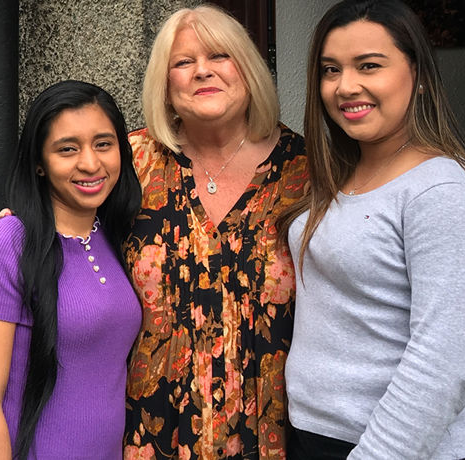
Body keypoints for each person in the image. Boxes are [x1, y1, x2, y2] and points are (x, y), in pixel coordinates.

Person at [279, 1, 465, 459]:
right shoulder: (335, 176)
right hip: (318, 436)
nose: (345, 86)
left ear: (419, 76)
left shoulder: (442, 191)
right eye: (330, 69)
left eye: (369, 66)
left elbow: (440, 370)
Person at [121, 5, 308, 459]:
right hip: (154, 433)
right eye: (183, 63)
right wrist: (12, 232)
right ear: (165, 85)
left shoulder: (305, 169)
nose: (202, 71)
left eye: (220, 56)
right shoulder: (129, 164)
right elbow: (66, 233)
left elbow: (366, 246)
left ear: (248, 68)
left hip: (271, 436)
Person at [0, 80, 142, 459]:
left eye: (104, 144)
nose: (90, 163)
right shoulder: (5, 245)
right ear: (40, 164)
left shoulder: (115, 235)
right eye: (67, 149)